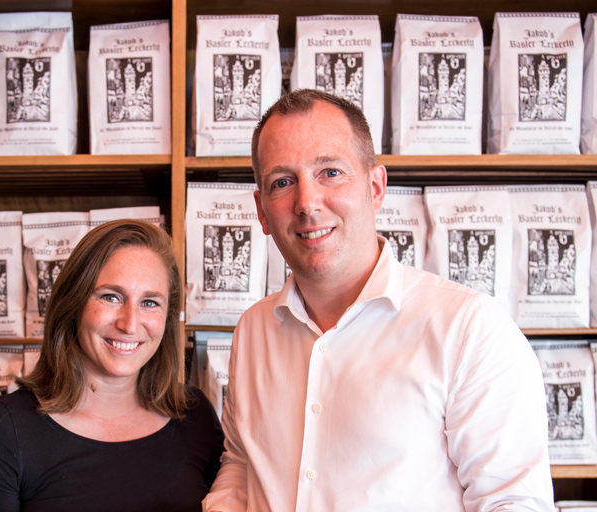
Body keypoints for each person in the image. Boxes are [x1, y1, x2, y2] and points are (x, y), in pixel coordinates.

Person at [202, 89, 555, 512]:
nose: (308, 203)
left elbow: (512, 502)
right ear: (261, 211)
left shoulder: (469, 328)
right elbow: (243, 464)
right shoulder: (254, 329)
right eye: (282, 182)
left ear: (375, 187)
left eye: (330, 172)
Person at [0, 219, 224, 512]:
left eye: (150, 302)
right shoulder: (5, 433)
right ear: (73, 303)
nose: (129, 324)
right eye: (110, 297)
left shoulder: (195, 417)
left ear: (168, 318)